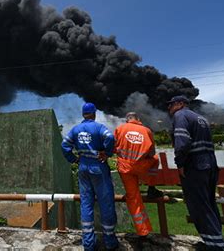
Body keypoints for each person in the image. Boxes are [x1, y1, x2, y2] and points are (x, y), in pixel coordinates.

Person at [167, 95, 224, 250]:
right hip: (210, 164)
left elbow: (182, 142)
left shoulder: (180, 116)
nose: (169, 108)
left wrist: (180, 163)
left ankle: (217, 247)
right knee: (209, 203)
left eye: (171, 105)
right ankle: (216, 240)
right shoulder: (201, 118)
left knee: (199, 206)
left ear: (180, 104)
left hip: (194, 165)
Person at [61, 103, 119, 251]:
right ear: (93, 113)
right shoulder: (99, 128)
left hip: (83, 169)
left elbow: (64, 145)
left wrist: (73, 159)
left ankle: (88, 243)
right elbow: (110, 137)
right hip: (98, 168)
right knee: (105, 203)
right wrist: (107, 153)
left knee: (86, 204)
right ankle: (110, 241)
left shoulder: (75, 129)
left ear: (83, 114)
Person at [114, 112, 163, 238]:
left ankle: (143, 231)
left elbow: (113, 148)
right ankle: (151, 187)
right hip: (141, 167)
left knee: (133, 197)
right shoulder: (146, 130)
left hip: (125, 169)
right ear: (138, 119)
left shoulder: (120, 129)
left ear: (127, 119)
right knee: (156, 159)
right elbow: (152, 152)